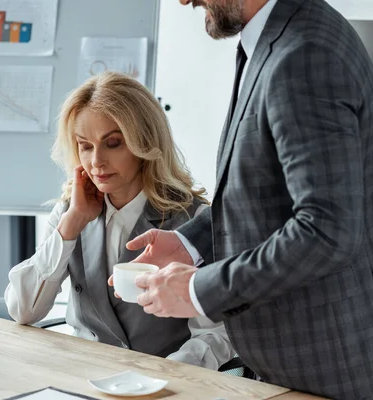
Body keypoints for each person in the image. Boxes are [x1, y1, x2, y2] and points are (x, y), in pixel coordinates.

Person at [114, 0, 373, 398]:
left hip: (324, 367)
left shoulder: (304, 53)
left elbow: (327, 230)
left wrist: (199, 289)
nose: (185, 1)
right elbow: (264, 188)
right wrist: (189, 244)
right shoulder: (272, 40)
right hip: (287, 363)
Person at [4, 72, 234, 369]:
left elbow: (215, 335)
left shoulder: (196, 221)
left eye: (112, 143)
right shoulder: (68, 214)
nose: (96, 160)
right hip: (84, 378)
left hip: (162, 386)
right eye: (85, 145)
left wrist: (167, 379)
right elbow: (22, 311)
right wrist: (71, 226)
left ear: (144, 142)